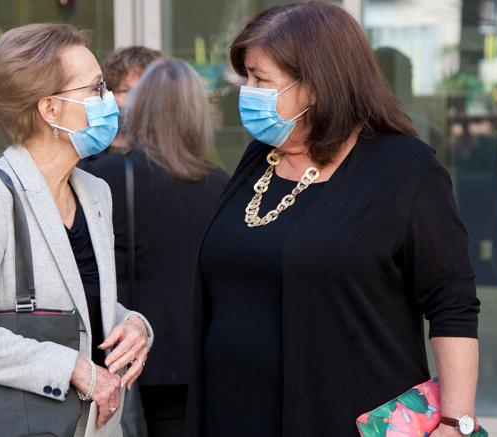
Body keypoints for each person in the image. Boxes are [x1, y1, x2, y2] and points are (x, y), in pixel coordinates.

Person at [187, 2, 481, 436]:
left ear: (317, 86)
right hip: (235, 410)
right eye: (245, 77)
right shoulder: (259, 158)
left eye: (260, 79)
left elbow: (451, 301)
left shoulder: (405, 170)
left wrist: (457, 422)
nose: (246, 92)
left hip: (347, 416)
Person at [0, 23, 153, 436]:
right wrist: (74, 369)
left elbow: (82, 303)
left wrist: (136, 324)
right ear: (50, 109)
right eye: (96, 89)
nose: (109, 102)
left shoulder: (95, 192)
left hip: (97, 426)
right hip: (24, 422)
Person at [83, 58, 229, 437]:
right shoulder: (223, 187)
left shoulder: (105, 179)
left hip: (122, 359)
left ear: (138, 111)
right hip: (195, 363)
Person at [100, 46, 163, 149]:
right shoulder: (92, 152)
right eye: (125, 91)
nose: (135, 100)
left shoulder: (173, 155)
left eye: (143, 92)